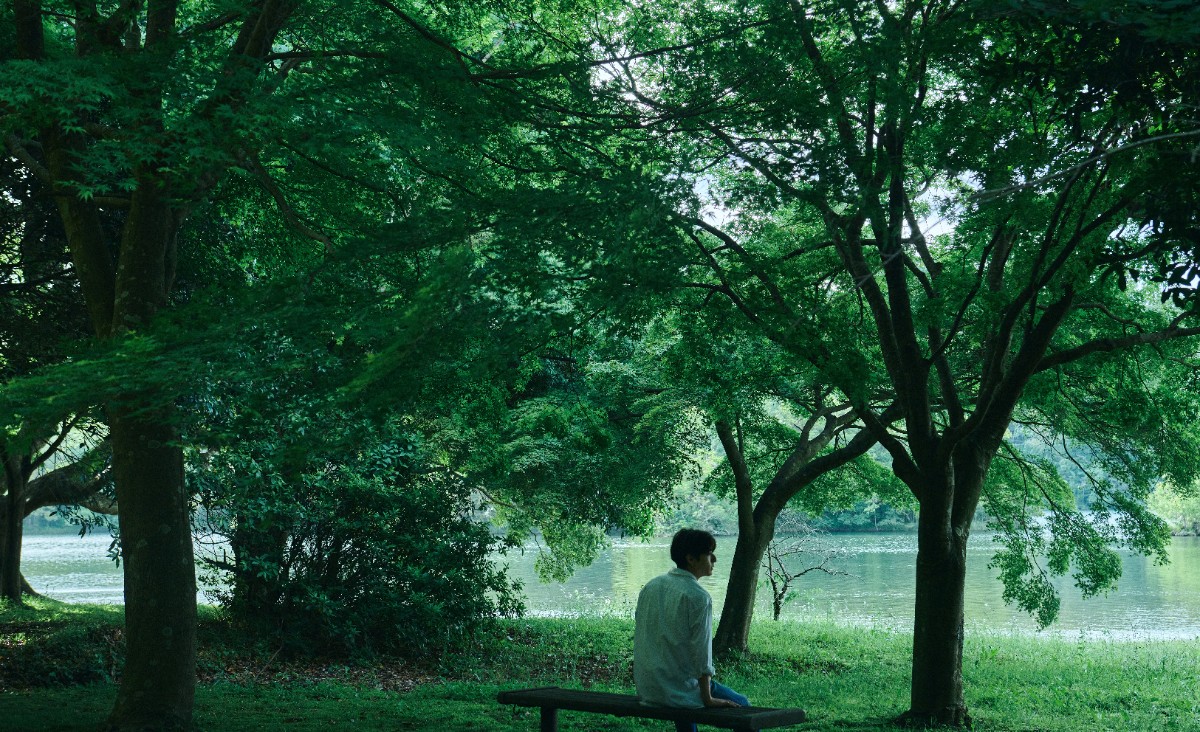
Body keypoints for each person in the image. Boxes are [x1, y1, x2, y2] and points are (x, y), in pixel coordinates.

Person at [634, 528, 749, 732]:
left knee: (683, 690)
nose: (714, 559)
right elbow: (701, 653)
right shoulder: (698, 597)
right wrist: (708, 698)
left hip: (649, 689)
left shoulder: (651, 587)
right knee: (744, 706)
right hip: (677, 690)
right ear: (691, 559)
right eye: (708, 553)